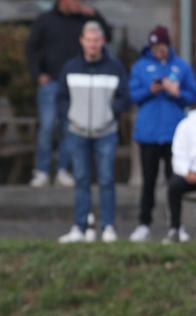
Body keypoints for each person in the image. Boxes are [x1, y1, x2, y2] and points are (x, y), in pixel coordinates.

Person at [26, 0, 113, 188]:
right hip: (51, 82)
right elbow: (31, 48)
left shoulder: (83, 20)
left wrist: (95, 15)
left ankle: (62, 170)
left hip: (75, 84)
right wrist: (37, 74)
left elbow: (107, 37)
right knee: (47, 126)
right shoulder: (45, 20)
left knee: (69, 127)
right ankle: (41, 171)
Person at [57, 20, 129, 244]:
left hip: (106, 132)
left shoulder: (114, 67)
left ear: (103, 41)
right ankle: (80, 227)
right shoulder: (71, 66)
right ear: (82, 41)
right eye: (89, 40)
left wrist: (110, 113)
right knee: (81, 180)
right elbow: (61, 98)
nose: (93, 44)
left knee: (106, 180)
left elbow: (124, 97)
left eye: (96, 40)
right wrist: (70, 116)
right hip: (77, 131)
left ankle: (108, 226)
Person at [128, 26, 196, 242]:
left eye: (162, 47)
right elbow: (132, 95)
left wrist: (177, 92)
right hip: (148, 134)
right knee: (148, 182)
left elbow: (192, 95)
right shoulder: (140, 66)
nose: (159, 51)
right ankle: (144, 224)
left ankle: (175, 226)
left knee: (173, 182)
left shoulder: (181, 66)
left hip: (173, 135)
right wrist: (150, 90)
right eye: (155, 47)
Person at [165, 108, 196, 243]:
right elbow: (178, 155)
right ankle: (175, 228)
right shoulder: (185, 125)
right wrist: (186, 172)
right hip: (189, 174)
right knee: (174, 185)